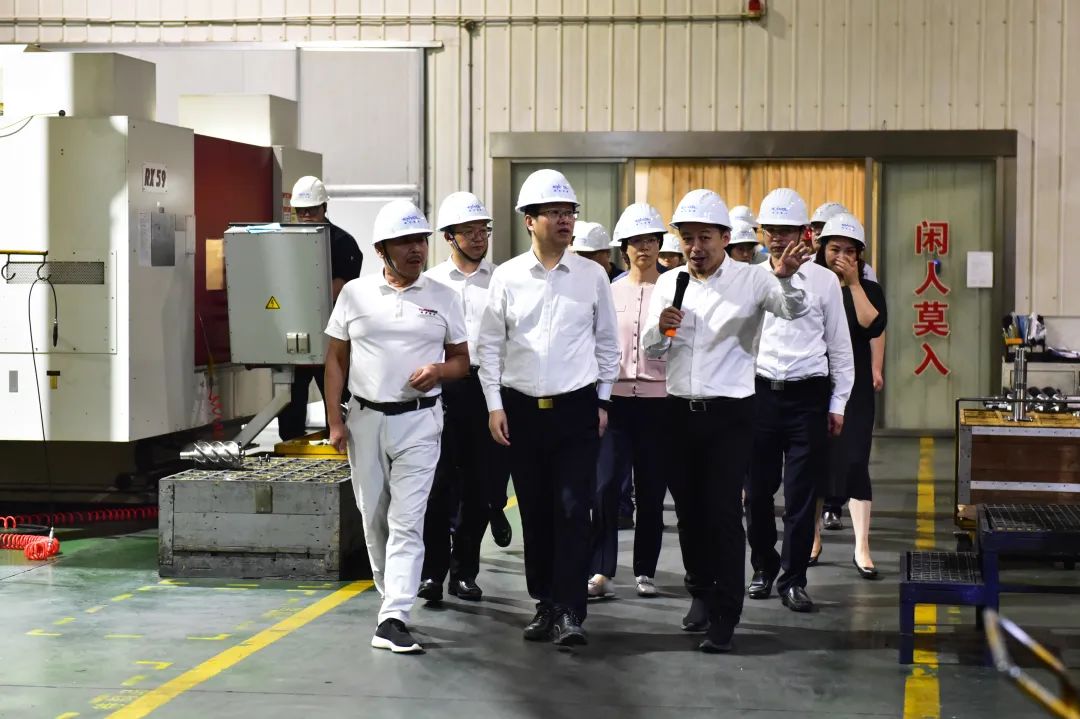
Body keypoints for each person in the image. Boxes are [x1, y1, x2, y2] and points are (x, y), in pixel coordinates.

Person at [642, 189, 812, 653]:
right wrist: (661, 327)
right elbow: (653, 351)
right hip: (679, 411)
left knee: (721, 514)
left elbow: (792, 310)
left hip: (731, 414)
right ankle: (699, 592)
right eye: (687, 238)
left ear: (724, 237)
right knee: (689, 514)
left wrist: (787, 279)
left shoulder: (752, 279)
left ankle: (725, 613)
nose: (695, 247)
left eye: (705, 238)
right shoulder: (670, 282)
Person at [476, 169, 619, 647]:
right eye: (554, 212)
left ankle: (571, 610)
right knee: (535, 512)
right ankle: (545, 603)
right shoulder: (508, 277)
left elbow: (607, 343)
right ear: (529, 220)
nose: (564, 220)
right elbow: (490, 346)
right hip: (520, 411)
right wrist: (494, 405)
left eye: (569, 212)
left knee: (575, 509)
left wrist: (602, 399)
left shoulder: (592, 276)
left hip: (577, 409)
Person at [324, 199, 468, 654]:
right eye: (405, 242)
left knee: (407, 519)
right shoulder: (355, 295)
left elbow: (462, 361)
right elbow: (335, 359)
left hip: (420, 421)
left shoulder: (444, 297)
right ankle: (391, 601)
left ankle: (394, 615)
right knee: (374, 517)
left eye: (421, 240)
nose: (416, 249)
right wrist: (334, 420)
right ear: (381, 250)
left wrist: (439, 371)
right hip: (364, 421)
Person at [744, 188, 853, 615]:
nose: (777, 238)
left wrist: (838, 403)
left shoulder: (824, 281)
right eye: (770, 230)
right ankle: (763, 566)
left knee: (801, 496)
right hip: (759, 395)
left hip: (808, 396)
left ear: (805, 232)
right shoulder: (751, 278)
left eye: (786, 230)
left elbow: (839, 347)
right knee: (756, 494)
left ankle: (793, 579)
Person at [417, 192, 513, 605]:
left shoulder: (502, 279)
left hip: (489, 389)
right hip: (443, 387)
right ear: (449, 237)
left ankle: (465, 573)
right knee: (438, 484)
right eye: (469, 231)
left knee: (480, 485)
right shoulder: (431, 283)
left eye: (483, 230)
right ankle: (432, 573)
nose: (478, 238)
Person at [587, 203, 669, 601]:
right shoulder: (609, 290)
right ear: (624, 249)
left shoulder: (674, 288)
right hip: (616, 402)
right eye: (636, 242)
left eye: (651, 240)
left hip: (659, 403)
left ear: (659, 245)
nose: (644, 248)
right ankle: (601, 569)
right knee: (604, 488)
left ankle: (645, 569)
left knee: (651, 490)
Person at [814, 213, 887, 578]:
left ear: (859, 256)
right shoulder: (809, 283)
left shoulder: (868, 288)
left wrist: (854, 283)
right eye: (834, 249)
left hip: (854, 386)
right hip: (815, 382)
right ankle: (812, 538)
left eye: (849, 251)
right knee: (814, 460)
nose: (841, 257)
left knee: (856, 459)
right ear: (822, 250)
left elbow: (872, 324)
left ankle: (862, 546)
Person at [279, 175, 364, 441]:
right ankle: (290, 446)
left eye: (312, 210)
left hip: (330, 335)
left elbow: (340, 288)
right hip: (292, 333)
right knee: (290, 398)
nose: (306, 216)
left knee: (336, 394)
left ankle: (341, 441)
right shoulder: (284, 240)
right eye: (301, 211)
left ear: (324, 207)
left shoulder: (342, 243)